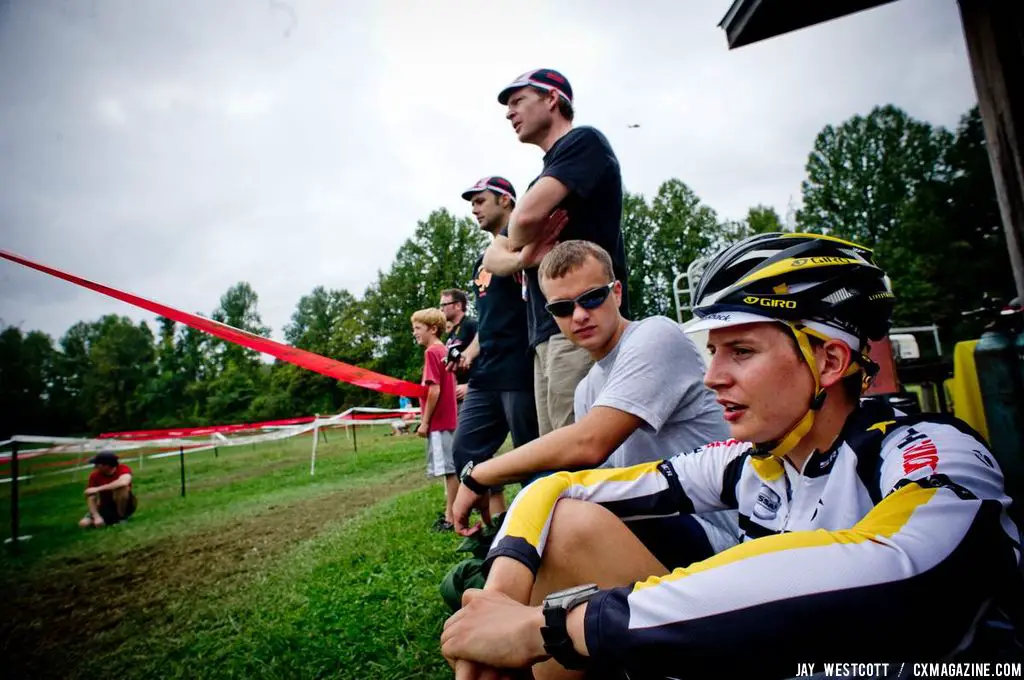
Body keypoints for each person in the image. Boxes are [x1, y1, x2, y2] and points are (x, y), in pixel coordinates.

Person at [441, 232, 1021, 679]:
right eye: (713, 351)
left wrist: (556, 629)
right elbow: (560, 489)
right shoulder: (749, 460)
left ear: (829, 363)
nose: (712, 377)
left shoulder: (932, 447)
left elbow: (913, 571)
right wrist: (496, 602)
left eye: (740, 351)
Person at [454, 240, 734, 560]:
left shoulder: (656, 335)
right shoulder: (587, 389)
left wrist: (479, 475)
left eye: (592, 298)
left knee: (564, 520)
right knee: (551, 513)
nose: (579, 315)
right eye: (562, 307)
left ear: (616, 293)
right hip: (654, 523)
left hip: (715, 532)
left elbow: (590, 442)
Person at [482, 68, 629, 437]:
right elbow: (493, 255)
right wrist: (522, 258)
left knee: (581, 453)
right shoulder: (546, 176)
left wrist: (518, 236)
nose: (508, 113)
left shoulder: (584, 143)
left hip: (583, 325)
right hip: (548, 332)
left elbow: (525, 218)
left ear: (552, 99)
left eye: (518, 101)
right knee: (557, 451)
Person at [452, 176, 541, 520]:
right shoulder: (482, 261)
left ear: (506, 201)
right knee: (465, 450)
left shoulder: (525, 246)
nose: (474, 209)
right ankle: (495, 524)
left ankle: (540, 528)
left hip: (519, 369)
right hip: (485, 374)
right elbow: (487, 319)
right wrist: (469, 353)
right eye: (471, 203)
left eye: (480, 201)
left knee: (532, 458)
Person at [411, 308, 460, 532]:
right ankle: (451, 511)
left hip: (440, 421)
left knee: (449, 470)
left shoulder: (432, 352)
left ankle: (452, 517)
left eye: (418, 328)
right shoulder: (444, 350)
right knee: (450, 469)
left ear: (432, 329)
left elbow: (434, 390)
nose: (415, 333)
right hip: (450, 419)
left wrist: (425, 422)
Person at [78, 451, 137, 528]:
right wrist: (96, 516)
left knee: (121, 488)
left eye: (97, 464)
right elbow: (91, 497)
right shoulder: (94, 475)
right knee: (83, 524)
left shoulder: (123, 468)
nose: (95, 466)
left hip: (125, 504)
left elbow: (123, 482)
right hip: (105, 505)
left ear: (106, 465)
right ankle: (106, 520)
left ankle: (121, 517)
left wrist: (97, 489)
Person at [442, 288, 478, 402]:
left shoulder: (471, 325)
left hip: (473, 392)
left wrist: (471, 385)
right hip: (458, 394)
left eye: (444, 304)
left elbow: (487, 356)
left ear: (458, 305)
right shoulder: (453, 332)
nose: (441, 308)